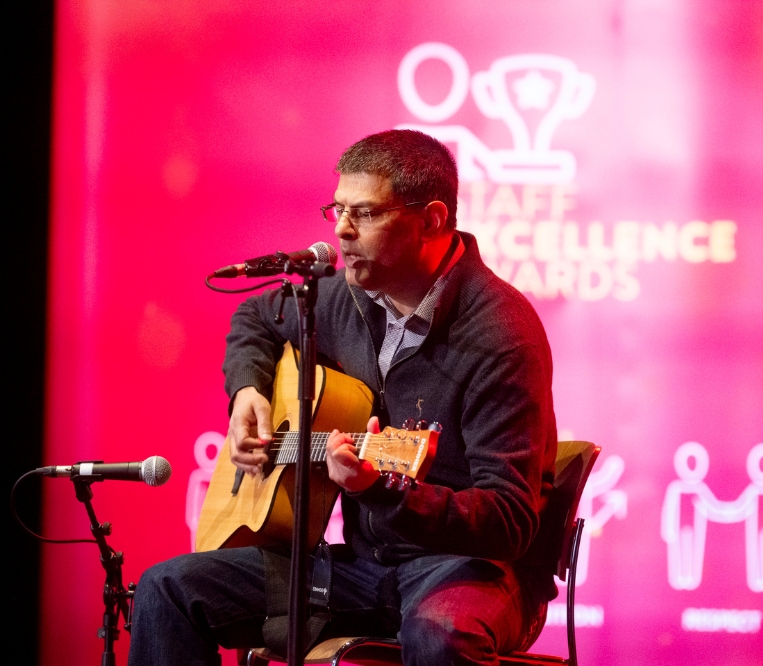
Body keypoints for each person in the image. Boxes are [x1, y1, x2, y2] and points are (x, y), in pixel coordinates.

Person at [128, 129, 559, 666]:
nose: (343, 231)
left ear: (432, 219)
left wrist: (385, 493)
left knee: (441, 633)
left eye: (367, 214)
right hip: (363, 565)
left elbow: (510, 521)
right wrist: (246, 392)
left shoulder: (499, 333)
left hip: (472, 568)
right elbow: (255, 318)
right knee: (168, 588)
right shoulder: (347, 295)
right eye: (337, 210)